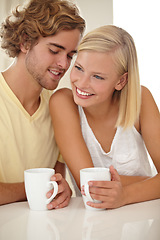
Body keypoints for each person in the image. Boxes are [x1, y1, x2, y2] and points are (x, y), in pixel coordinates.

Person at [49, 25, 160, 209]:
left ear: (121, 81)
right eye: (78, 68)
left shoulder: (141, 100)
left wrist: (125, 195)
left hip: (143, 219)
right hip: (93, 224)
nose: (82, 83)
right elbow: (90, 184)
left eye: (98, 77)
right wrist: (152, 183)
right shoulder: (63, 103)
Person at [0, 0, 85, 208]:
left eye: (70, 55)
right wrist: (38, 188)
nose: (64, 64)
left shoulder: (59, 109)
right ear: (25, 42)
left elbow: (56, 180)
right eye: (55, 50)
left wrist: (61, 189)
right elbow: (46, 188)